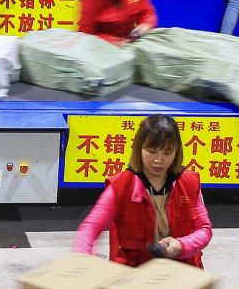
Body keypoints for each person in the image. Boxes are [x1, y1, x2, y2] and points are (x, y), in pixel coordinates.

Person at [74, 114, 213, 268]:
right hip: (133, 276)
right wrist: (81, 261)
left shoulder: (189, 183)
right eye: (152, 151)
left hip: (180, 273)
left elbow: (204, 229)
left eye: (167, 153)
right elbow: (90, 227)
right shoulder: (120, 187)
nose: (159, 160)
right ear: (139, 148)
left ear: (177, 152)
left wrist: (181, 245)